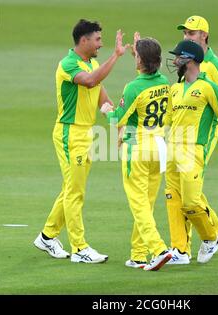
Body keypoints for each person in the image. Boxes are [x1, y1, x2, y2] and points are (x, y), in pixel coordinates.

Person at [33, 19, 130, 263]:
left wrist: (118, 120)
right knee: (75, 192)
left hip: (87, 134)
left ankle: (47, 236)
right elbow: (89, 81)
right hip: (69, 134)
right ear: (83, 40)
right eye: (97, 39)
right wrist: (116, 57)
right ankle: (80, 248)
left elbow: (103, 102)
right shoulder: (68, 64)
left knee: (71, 188)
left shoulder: (93, 64)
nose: (101, 43)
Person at [165, 40, 218, 264]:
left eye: (178, 57)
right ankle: (179, 251)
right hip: (172, 151)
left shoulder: (208, 87)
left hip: (193, 150)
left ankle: (212, 235)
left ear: (191, 60)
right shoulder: (174, 89)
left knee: (191, 202)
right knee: (173, 199)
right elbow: (167, 121)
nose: (174, 61)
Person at [107, 37, 172, 271]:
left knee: (139, 205)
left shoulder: (133, 87)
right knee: (147, 204)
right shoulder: (165, 82)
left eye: (136, 55)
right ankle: (138, 254)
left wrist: (107, 111)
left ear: (140, 60)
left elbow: (118, 119)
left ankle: (158, 249)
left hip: (137, 146)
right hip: (159, 147)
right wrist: (141, 49)